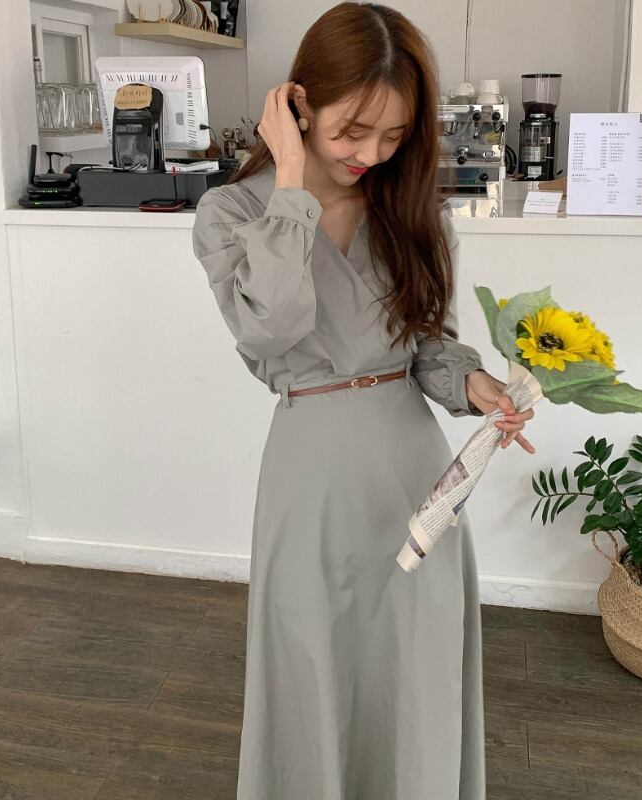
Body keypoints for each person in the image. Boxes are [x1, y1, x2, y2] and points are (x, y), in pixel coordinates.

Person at [191, 4, 535, 798]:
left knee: (414, 668)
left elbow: (429, 345)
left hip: (412, 479)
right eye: (352, 131)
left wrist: (472, 383)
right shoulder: (232, 213)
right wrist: (289, 184)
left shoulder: (411, 211)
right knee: (312, 664)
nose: (371, 154)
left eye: (392, 136)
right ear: (298, 103)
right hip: (311, 478)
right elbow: (272, 331)